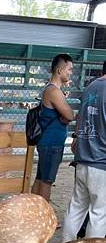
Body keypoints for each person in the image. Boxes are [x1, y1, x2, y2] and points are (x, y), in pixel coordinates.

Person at [62, 60, 106, 240]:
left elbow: (80, 117)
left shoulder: (91, 87)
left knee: (76, 208)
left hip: (83, 158)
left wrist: (77, 139)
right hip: (102, 163)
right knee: (99, 214)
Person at [31, 54, 74, 201]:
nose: (71, 72)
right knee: (46, 181)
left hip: (48, 142)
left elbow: (67, 115)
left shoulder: (52, 90)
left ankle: (34, 214)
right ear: (59, 70)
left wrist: (66, 115)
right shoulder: (54, 91)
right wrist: (67, 115)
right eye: (69, 69)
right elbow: (70, 114)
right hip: (52, 143)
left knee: (41, 178)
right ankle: (44, 216)